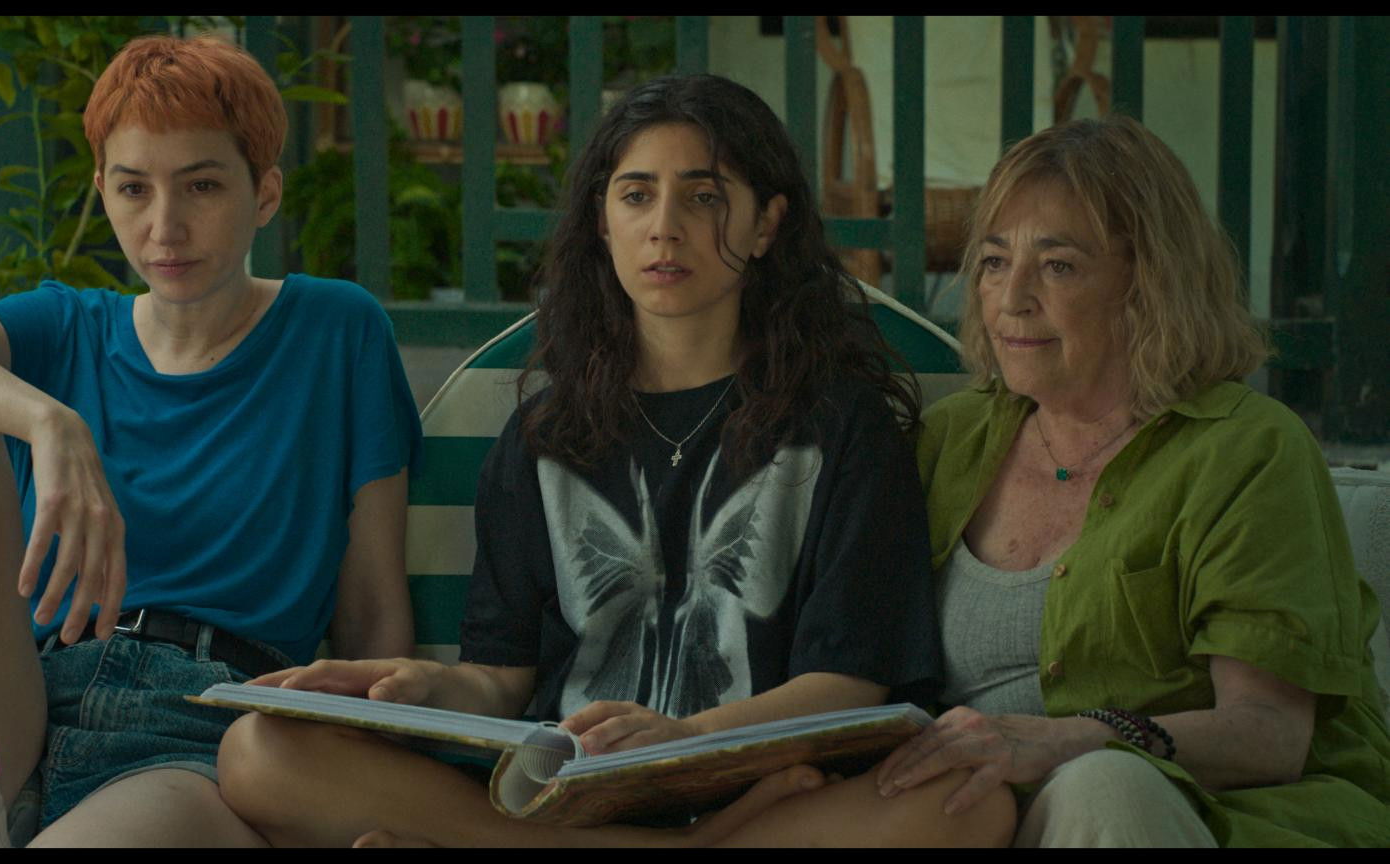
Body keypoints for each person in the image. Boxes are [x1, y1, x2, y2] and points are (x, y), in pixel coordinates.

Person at [215, 73, 1016, 847]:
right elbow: (501, 681)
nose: (664, 227)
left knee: (967, 806)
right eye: (636, 195)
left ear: (767, 225)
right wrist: (423, 684)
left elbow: (849, 686)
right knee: (260, 752)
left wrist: (686, 739)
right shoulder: (541, 438)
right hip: (567, 797)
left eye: (704, 197)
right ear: (602, 220)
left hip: (767, 794)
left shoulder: (842, 427)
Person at [0, 34, 422, 847]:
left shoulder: (337, 330)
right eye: (133, 188)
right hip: (8, 710)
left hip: (199, 734)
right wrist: (49, 421)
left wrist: (370, 788)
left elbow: (371, 611)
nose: (164, 226)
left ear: (264, 193)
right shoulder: (66, 327)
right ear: (102, 191)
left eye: (202, 185)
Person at [871, 114, 1390, 846]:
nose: (1012, 298)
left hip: (1201, 814)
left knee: (1103, 787)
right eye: (993, 262)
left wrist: (1074, 740)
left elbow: (1269, 733)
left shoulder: (1247, 449)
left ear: (1148, 282)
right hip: (977, 817)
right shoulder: (948, 437)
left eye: (1058, 266)